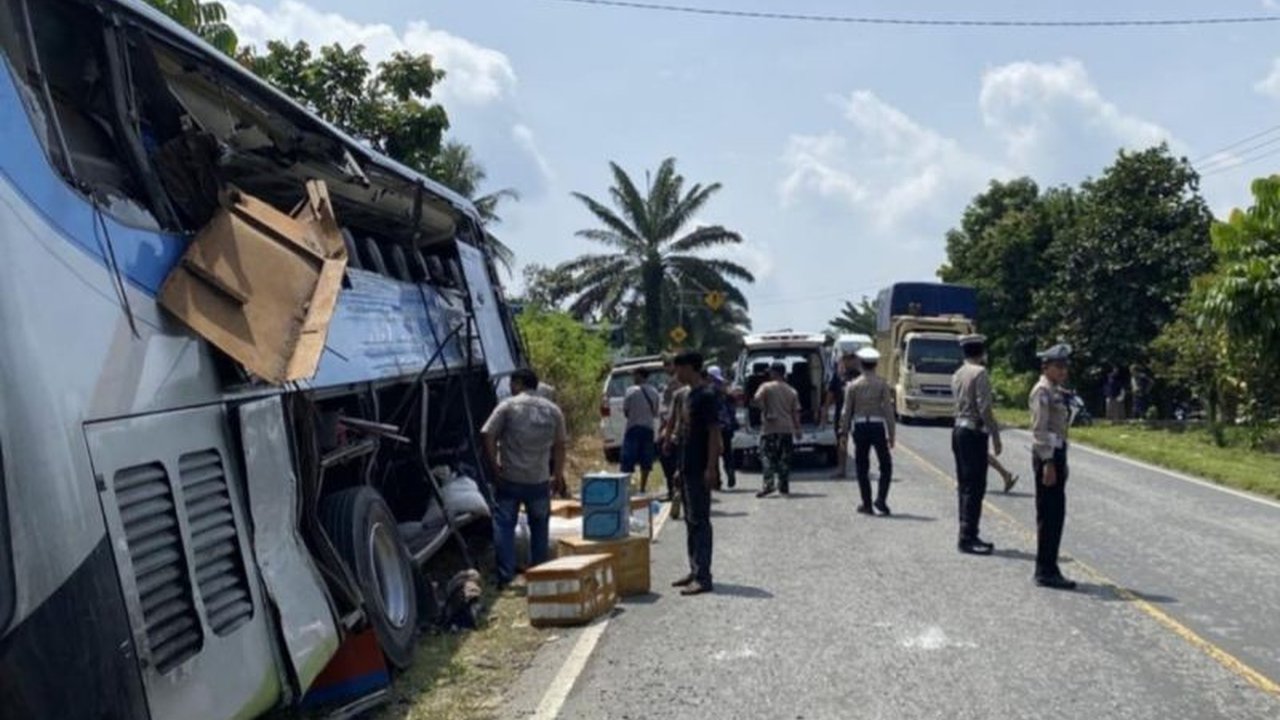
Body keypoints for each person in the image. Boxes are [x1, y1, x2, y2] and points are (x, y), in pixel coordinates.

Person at [481, 368, 567, 587]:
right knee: (539, 527)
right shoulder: (553, 411)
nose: (510, 387)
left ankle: (507, 577)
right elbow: (560, 446)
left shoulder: (508, 406)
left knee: (504, 526)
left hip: (510, 478)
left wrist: (495, 466)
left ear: (518, 383)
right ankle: (539, 575)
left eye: (512, 383)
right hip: (538, 479)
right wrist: (557, 475)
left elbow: (487, 433)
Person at [670, 351, 721, 596]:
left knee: (700, 521)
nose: (676, 374)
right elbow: (683, 435)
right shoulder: (686, 395)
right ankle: (694, 569)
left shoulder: (707, 396)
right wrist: (679, 468)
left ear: (690, 367)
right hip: (687, 465)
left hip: (701, 467)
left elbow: (714, 433)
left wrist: (711, 468)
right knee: (690, 521)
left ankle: (704, 576)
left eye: (678, 368)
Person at [1029, 344, 1077, 590]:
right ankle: (1045, 569)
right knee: (1049, 514)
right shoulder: (1042, 391)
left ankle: (1049, 565)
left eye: (1065, 366)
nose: (1063, 371)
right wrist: (1048, 461)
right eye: (1058, 366)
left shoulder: (1056, 391)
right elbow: (1040, 430)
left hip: (1057, 454)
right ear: (1045, 367)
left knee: (1056, 514)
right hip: (1047, 456)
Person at [951, 335, 1002, 554]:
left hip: (959, 429)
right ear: (981, 352)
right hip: (974, 431)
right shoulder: (980, 373)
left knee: (964, 484)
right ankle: (968, 536)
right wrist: (995, 434)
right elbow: (984, 407)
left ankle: (967, 531)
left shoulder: (957, 374)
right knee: (976, 486)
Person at [840, 348, 896, 515]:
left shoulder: (853, 385)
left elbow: (846, 411)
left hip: (860, 427)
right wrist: (891, 434)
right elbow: (888, 411)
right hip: (877, 427)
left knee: (862, 466)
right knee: (885, 465)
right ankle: (881, 500)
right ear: (876, 364)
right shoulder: (882, 384)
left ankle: (867, 504)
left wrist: (843, 432)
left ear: (861, 364)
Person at [752, 362, 802, 498]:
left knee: (766, 456)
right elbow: (795, 412)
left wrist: (765, 409)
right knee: (784, 458)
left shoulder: (766, 387)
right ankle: (783, 486)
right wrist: (797, 429)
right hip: (786, 428)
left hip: (770, 428)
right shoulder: (792, 390)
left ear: (774, 373)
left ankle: (769, 484)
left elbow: (756, 399)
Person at [621, 367, 661, 493]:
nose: (633, 378)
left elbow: (626, 411)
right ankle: (643, 487)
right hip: (648, 429)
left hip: (633, 428)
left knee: (628, 459)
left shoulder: (630, 391)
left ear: (640, 375)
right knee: (646, 459)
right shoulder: (654, 392)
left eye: (635, 375)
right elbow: (655, 412)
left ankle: (626, 487)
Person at [823, 352, 862, 479]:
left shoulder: (861, 377)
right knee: (842, 441)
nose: (851, 362)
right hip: (842, 414)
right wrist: (825, 412)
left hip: (858, 415)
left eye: (853, 359)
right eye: (848, 359)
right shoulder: (838, 377)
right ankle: (841, 469)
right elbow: (830, 395)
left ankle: (861, 467)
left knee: (860, 443)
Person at [708, 366, 739, 489]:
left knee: (713, 453)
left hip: (714, 426)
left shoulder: (709, 390)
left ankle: (717, 481)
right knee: (727, 452)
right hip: (727, 426)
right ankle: (730, 471)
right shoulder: (726, 389)